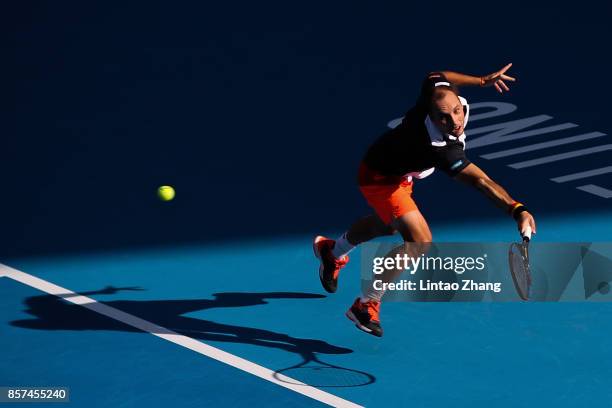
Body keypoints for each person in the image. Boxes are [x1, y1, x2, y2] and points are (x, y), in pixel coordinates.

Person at [314, 63, 537, 337]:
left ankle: (332, 251)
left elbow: (440, 76)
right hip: (379, 177)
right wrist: (517, 209)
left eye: (457, 111)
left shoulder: (434, 93)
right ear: (432, 116)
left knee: (388, 225)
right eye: (444, 118)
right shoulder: (442, 151)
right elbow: (481, 181)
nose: (455, 121)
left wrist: (480, 81)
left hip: (399, 169)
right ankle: (366, 303)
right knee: (419, 242)